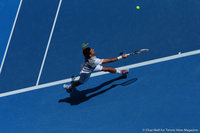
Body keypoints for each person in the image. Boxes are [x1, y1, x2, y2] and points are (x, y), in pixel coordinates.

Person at [63, 43, 129, 93]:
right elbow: (110, 60)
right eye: (91, 50)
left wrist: (83, 46)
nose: (93, 49)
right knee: (80, 82)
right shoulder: (95, 61)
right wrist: (121, 57)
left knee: (107, 69)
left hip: (92, 66)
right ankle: (69, 87)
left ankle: (121, 72)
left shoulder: (86, 54)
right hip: (85, 73)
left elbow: (84, 51)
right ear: (90, 55)